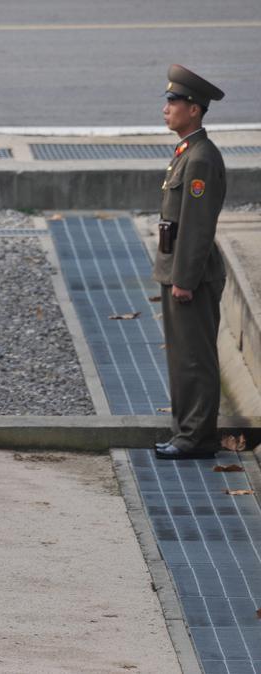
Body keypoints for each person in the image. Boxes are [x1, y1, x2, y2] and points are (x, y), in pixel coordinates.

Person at [152, 64, 227, 460]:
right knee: (182, 355)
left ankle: (196, 437)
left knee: (195, 356)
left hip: (190, 275)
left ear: (194, 109)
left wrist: (184, 279)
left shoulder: (200, 158)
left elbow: (197, 227)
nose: (167, 108)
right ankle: (185, 431)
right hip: (178, 270)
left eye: (173, 102)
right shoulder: (187, 151)